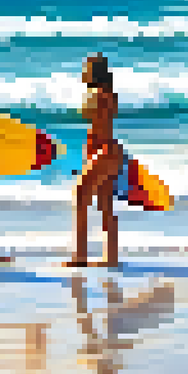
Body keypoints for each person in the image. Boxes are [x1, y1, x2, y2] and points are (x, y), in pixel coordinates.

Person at [71, 54, 125, 268]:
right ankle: (110, 258)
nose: (83, 73)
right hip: (111, 150)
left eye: (86, 69)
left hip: (103, 151)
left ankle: (80, 257)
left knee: (80, 196)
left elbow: (85, 113)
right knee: (105, 205)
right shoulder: (110, 95)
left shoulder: (95, 94)